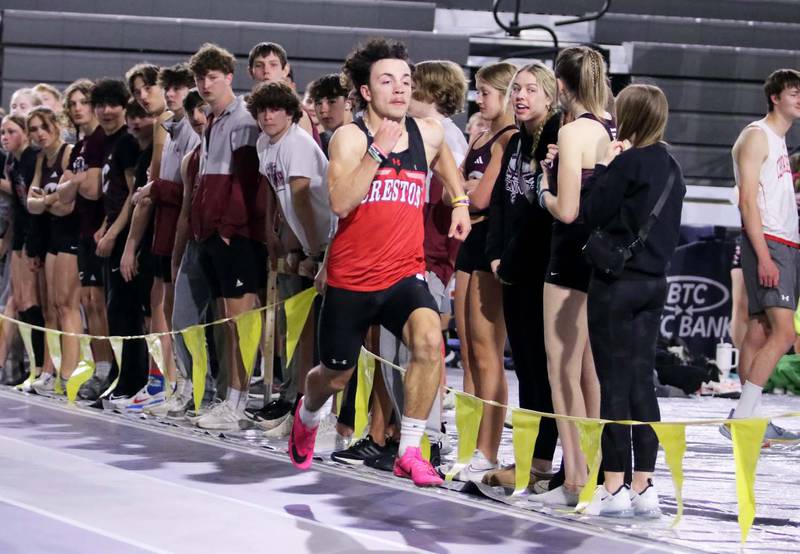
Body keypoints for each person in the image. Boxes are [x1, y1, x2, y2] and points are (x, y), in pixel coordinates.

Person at [287, 38, 471, 487]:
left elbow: (444, 158)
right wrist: (377, 152)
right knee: (334, 375)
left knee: (430, 342)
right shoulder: (350, 138)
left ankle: (409, 448)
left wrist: (461, 200)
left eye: (406, 81)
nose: (400, 89)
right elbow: (340, 202)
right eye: (387, 81)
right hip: (352, 279)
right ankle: (307, 415)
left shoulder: (427, 132)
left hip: (404, 273)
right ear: (366, 91)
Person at [580, 84, 686, 516]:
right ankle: (645, 485)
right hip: (654, 283)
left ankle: (613, 485)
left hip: (616, 284)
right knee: (643, 381)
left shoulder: (627, 163)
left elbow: (592, 211)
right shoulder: (674, 168)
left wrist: (604, 165)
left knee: (614, 384)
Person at [535, 46, 614, 506]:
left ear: (561, 86)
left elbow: (566, 209)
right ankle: (596, 473)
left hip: (569, 256)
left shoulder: (573, 133)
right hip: (600, 257)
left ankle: (573, 480)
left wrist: (542, 187)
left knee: (561, 370)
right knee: (589, 372)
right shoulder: (612, 125)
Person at [485, 62, 561, 489]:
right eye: (517, 88)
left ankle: (541, 460)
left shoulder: (553, 140)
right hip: (513, 268)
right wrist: (496, 253)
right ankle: (532, 458)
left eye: (531, 89)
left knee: (544, 373)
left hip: (540, 271)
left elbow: (540, 216)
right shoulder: (517, 142)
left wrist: (512, 259)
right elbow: (501, 202)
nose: (521, 96)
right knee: (528, 371)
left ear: (549, 96)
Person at [249, 81, 334, 436]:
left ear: (291, 113)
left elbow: (302, 199)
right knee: (299, 327)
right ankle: (299, 402)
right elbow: (275, 192)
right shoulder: (263, 144)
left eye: (276, 110)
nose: (268, 116)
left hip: (328, 237)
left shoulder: (297, 144)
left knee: (326, 332)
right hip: (304, 241)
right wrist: (279, 236)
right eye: (262, 110)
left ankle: (326, 416)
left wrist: (315, 251)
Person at [189, 43, 266, 430]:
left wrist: (227, 229)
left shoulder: (243, 120)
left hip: (236, 237)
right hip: (214, 235)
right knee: (227, 322)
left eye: (213, 77)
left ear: (229, 78)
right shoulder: (212, 120)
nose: (205, 83)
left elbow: (248, 183)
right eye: (200, 78)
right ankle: (229, 400)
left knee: (241, 323)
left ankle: (238, 405)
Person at [721, 69, 800, 442]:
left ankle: (748, 418)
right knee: (784, 333)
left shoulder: (779, 140)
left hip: (783, 241)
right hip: (769, 242)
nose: (799, 99)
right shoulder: (756, 136)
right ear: (774, 97)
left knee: (760, 330)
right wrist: (764, 257)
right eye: (794, 93)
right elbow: (747, 201)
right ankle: (741, 418)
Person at [452, 61, 517, 482]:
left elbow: (476, 197)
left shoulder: (508, 138)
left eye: (486, 92)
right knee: (474, 354)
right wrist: (463, 194)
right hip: (472, 243)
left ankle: (488, 450)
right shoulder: (481, 134)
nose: (479, 99)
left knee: (489, 354)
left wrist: (464, 194)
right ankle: (473, 443)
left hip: (492, 243)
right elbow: (454, 190)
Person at [56, 79, 116, 399]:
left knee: (103, 304)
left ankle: (111, 369)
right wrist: (75, 182)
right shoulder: (78, 148)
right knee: (89, 302)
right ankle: (100, 367)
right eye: (73, 104)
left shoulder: (99, 141)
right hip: (82, 229)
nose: (78, 109)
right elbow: (64, 200)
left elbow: (92, 189)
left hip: (99, 229)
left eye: (84, 102)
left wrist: (72, 181)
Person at [25, 108, 78, 393]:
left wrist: (44, 201)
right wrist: (48, 201)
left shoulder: (67, 153)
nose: (39, 133)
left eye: (43, 126)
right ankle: (49, 370)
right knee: (49, 308)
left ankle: (68, 373)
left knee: (65, 305)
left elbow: (68, 204)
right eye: (33, 129)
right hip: (50, 236)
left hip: (70, 234)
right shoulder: (40, 159)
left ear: (56, 125)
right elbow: (31, 204)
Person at [0, 114, 45, 384]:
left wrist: (31, 244)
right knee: (16, 300)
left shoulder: (30, 159)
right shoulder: (13, 162)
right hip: (20, 236)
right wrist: (11, 240)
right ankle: (17, 366)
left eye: (11, 131)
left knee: (29, 301)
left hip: (36, 236)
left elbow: (33, 205)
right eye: (3, 132)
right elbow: (17, 207)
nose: (5, 137)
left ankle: (37, 366)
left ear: (25, 134)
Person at [308, 74, 353, 156]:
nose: (323, 110)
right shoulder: (316, 144)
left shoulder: (367, 138)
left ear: (348, 103)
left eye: (331, 102)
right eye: (318, 103)